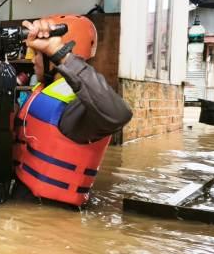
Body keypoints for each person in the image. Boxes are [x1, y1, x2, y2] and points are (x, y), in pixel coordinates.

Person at [13, 15, 133, 207]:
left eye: (36, 53)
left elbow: (119, 114)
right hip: (26, 205)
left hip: (50, 221)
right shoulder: (42, 91)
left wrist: (59, 52)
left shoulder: (76, 106)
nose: (33, 61)